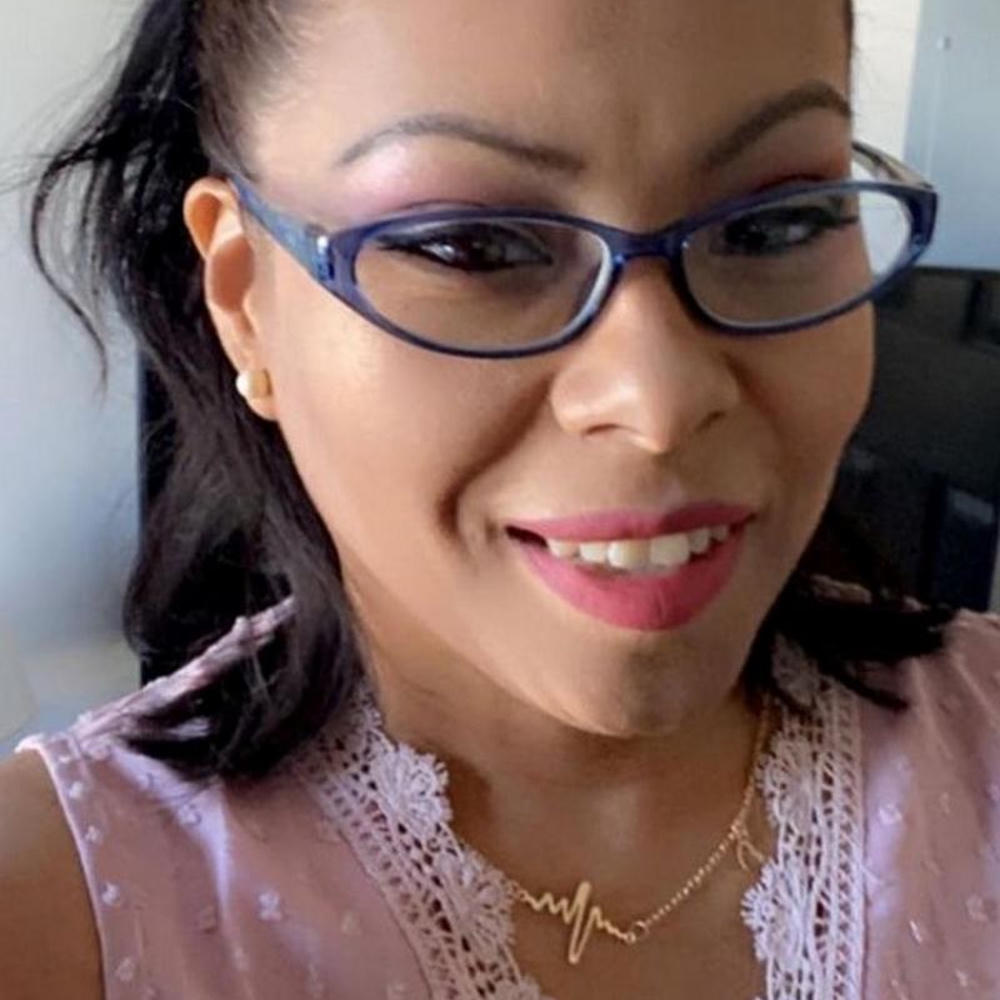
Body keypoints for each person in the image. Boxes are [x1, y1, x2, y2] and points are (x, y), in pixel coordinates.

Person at [1, 0, 998, 997]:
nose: (657, 402)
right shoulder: (54, 915)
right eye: (470, 246)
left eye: (774, 225)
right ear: (245, 302)